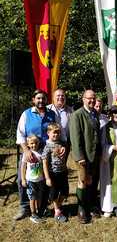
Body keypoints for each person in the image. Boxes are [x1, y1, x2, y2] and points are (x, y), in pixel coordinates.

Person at [15, 89, 56, 220]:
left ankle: (42, 207)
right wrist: (26, 151)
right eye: (38, 98)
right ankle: (24, 207)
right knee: (23, 179)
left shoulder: (52, 114)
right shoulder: (26, 114)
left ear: (46, 100)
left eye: (43, 98)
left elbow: (56, 130)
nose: (41, 101)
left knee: (43, 179)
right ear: (33, 100)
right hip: (30, 152)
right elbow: (20, 134)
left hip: (45, 153)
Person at [69, 89, 101, 224]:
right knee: (82, 181)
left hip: (94, 155)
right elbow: (75, 138)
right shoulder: (77, 115)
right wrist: (80, 156)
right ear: (83, 99)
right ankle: (81, 209)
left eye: (93, 98)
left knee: (91, 181)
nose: (91, 101)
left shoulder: (95, 114)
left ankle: (90, 205)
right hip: (83, 156)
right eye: (89, 98)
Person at [42, 123, 69, 222]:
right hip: (53, 174)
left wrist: (64, 149)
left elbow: (65, 149)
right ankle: (57, 211)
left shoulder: (61, 143)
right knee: (54, 193)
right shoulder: (47, 146)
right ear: (48, 133)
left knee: (65, 192)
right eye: (54, 133)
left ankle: (58, 206)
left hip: (63, 172)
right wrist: (47, 178)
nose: (56, 135)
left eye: (58, 133)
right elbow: (44, 163)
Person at [21, 135, 45, 223]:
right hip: (30, 180)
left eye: (35, 143)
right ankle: (33, 214)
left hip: (40, 180)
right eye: (31, 143)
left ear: (38, 143)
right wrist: (23, 179)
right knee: (32, 198)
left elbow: (44, 166)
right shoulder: (26, 154)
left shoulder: (41, 153)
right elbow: (23, 167)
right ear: (28, 144)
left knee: (39, 196)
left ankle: (39, 211)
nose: (34, 145)